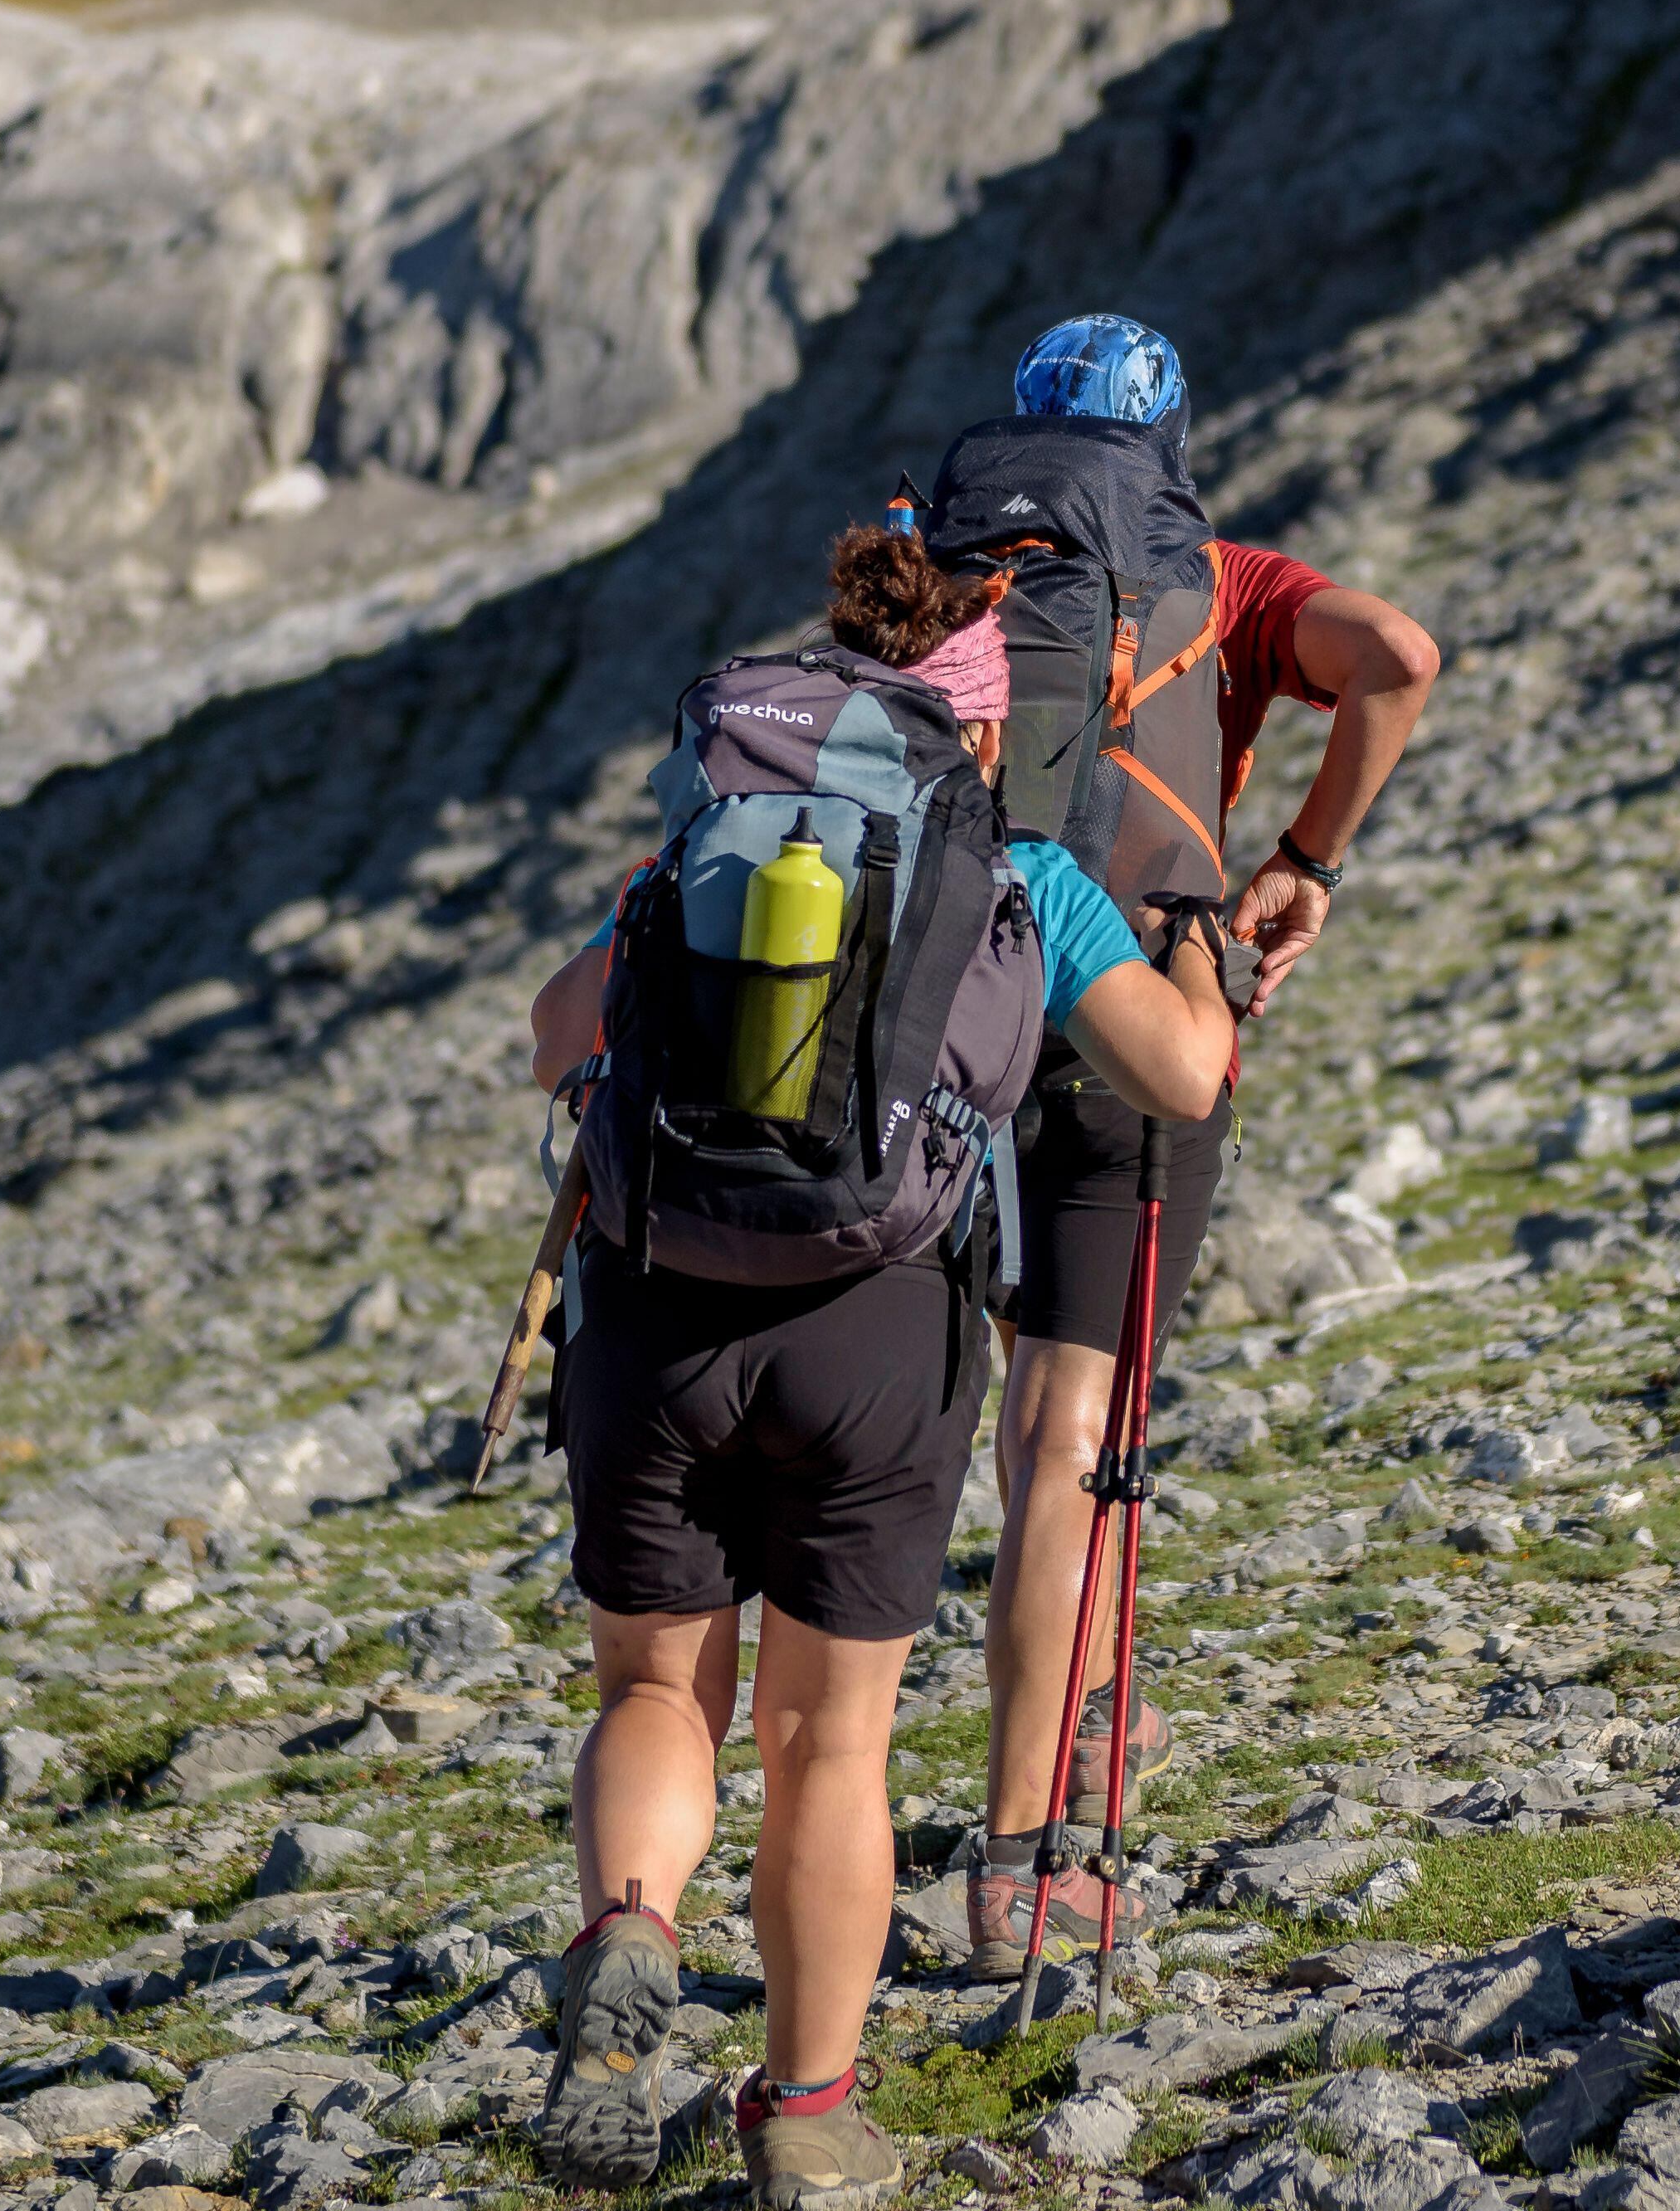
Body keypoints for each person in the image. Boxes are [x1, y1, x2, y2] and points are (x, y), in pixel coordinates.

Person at [523, 529, 1236, 2208]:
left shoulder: (710, 836)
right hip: (877, 1330)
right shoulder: (1016, 868)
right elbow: (1181, 1078)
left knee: (650, 1694)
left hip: (654, 1310)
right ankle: (808, 2111)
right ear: (983, 730)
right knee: (826, 1742)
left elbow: (559, 1036)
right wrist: (1194, 933)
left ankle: (630, 1926)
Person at [967, 314, 1440, 1974]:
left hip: (931, 1022)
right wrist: (1308, 853)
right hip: (1134, 1017)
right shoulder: (1221, 582)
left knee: (982, 1423)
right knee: (1068, 1440)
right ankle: (1033, 1847)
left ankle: (1037, 1722)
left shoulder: (935, 558)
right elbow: (1397, 653)